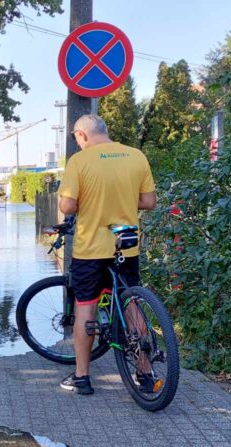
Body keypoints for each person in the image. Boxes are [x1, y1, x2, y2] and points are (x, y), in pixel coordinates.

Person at [56, 114, 157, 395]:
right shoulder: (136, 156)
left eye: (76, 138)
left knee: (86, 307)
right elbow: (149, 201)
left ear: (82, 135)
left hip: (91, 248)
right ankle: (145, 373)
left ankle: (82, 377)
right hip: (126, 243)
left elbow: (67, 206)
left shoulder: (80, 161)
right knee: (131, 304)